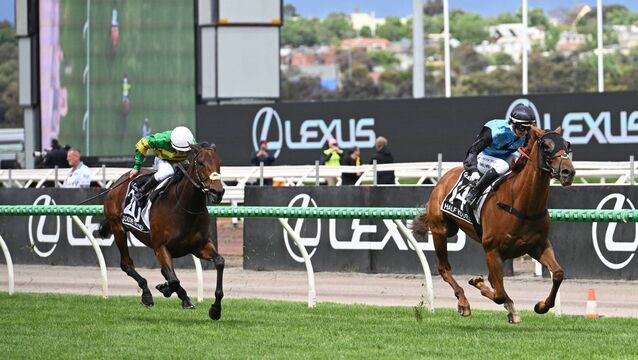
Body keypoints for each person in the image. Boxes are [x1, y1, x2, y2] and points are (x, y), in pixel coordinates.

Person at [463, 104, 536, 209]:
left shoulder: (526, 135)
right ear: (513, 123)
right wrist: (473, 171)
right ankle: (475, 191)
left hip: (505, 157)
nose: (524, 132)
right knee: (502, 166)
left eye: (528, 128)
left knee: (522, 164)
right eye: (522, 127)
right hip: (484, 156)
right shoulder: (495, 130)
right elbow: (473, 151)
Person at [129, 126, 196, 201]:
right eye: (180, 150)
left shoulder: (191, 141)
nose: (183, 152)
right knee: (168, 172)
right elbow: (141, 144)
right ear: (171, 144)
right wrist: (137, 167)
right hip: (162, 159)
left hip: (182, 161)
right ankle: (142, 191)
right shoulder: (161, 139)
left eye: (185, 151)